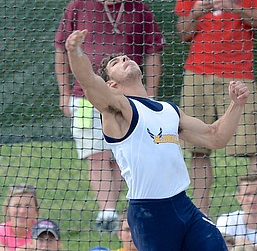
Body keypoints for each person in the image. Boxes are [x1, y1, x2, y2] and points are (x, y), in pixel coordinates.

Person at [65, 29, 250, 250]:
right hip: (149, 213)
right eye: (115, 62)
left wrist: (236, 105)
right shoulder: (118, 109)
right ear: (111, 84)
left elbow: (215, 137)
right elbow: (89, 81)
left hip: (184, 206)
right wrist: (74, 50)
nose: (125, 59)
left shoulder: (169, 111)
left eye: (126, 57)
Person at [54, 0, 164, 232]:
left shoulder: (139, 9)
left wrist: (149, 96)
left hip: (128, 98)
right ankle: (107, 213)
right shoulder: (78, 5)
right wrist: (64, 92)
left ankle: (119, 211)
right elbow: (62, 50)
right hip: (83, 96)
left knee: (121, 154)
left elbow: (153, 53)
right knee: (95, 155)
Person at [174, 0, 257, 215]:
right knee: (197, 148)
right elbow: (183, 32)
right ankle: (201, 215)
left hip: (240, 72)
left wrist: (234, 7)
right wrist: (195, 13)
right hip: (197, 72)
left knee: (253, 148)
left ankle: (253, 208)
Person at [0, 184, 39, 251]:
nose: (22, 211)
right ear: (7, 209)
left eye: (28, 206)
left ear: (36, 209)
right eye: (17, 206)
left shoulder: (45, 231)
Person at [217, 174, 257, 249]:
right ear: (239, 198)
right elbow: (222, 245)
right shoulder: (228, 220)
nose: (252, 199)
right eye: (247, 194)